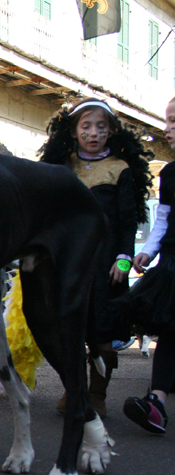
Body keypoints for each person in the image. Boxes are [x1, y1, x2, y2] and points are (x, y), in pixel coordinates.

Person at [38, 97, 151, 417]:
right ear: (73, 131)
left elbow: (128, 223)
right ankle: (74, 389)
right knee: (66, 329)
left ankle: (97, 395)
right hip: (66, 260)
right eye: (85, 126)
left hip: (107, 264)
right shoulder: (61, 166)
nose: (93, 133)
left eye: (101, 127)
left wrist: (124, 260)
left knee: (101, 331)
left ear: (111, 132)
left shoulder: (121, 169)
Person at [122, 96, 175, 434]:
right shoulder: (169, 174)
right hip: (172, 264)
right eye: (168, 121)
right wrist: (149, 251)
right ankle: (155, 403)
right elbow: (164, 221)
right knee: (170, 332)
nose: (169, 129)